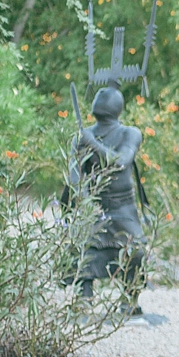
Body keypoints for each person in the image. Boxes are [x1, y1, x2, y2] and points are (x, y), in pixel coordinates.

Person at [68, 85, 148, 314]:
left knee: (137, 251)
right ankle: (84, 299)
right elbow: (75, 177)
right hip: (96, 206)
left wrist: (92, 143)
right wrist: (85, 203)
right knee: (83, 248)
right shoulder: (81, 138)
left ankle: (129, 299)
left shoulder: (129, 133)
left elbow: (121, 161)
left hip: (124, 207)